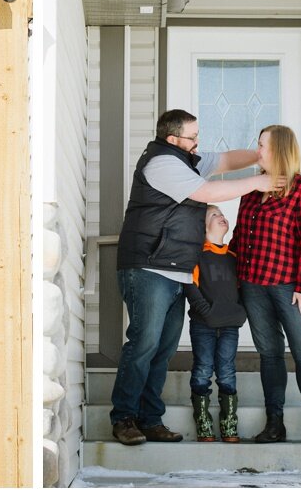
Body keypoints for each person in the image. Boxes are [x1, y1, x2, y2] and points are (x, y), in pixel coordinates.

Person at [110, 109, 287, 446]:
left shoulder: (185, 158)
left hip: (174, 270)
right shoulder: (162, 163)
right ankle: (124, 419)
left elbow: (225, 160)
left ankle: (150, 419)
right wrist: (258, 181)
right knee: (144, 344)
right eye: (193, 137)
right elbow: (207, 194)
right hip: (148, 267)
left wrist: (262, 154)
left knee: (162, 350)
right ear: (173, 139)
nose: (198, 143)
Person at [233, 124, 301, 446]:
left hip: (290, 287)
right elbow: (239, 237)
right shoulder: (252, 190)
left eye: (262, 145)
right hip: (253, 285)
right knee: (270, 354)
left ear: (279, 149)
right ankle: (274, 423)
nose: (257, 150)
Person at [184, 205, 246, 443]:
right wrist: (206, 312)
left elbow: (243, 290)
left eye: (221, 213)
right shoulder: (198, 255)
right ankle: (203, 421)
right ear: (203, 226)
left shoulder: (233, 257)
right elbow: (191, 288)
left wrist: (241, 313)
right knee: (203, 368)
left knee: (227, 371)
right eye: (214, 215)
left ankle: (229, 421)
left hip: (230, 325)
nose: (221, 216)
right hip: (203, 325)